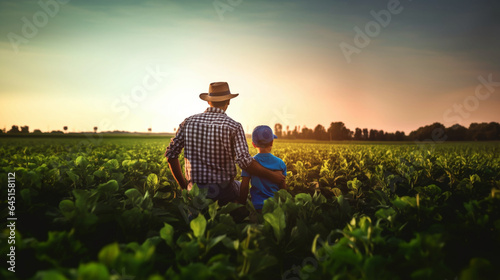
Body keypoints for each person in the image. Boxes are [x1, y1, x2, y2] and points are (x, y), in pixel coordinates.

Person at [165, 82, 285, 205]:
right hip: (223, 193)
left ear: (208, 101)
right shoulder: (234, 126)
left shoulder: (188, 122)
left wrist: (184, 186)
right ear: (228, 101)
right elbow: (245, 162)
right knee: (243, 188)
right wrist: (272, 176)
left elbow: (171, 155)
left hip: (195, 191)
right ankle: (241, 212)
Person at [238, 125, 287, 212]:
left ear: (253, 144)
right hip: (274, 207)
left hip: (255, 207)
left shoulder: (250, 163)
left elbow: (244, 186)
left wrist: (241, 206)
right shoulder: (280, 163)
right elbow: (283, 189)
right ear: (272, 142)